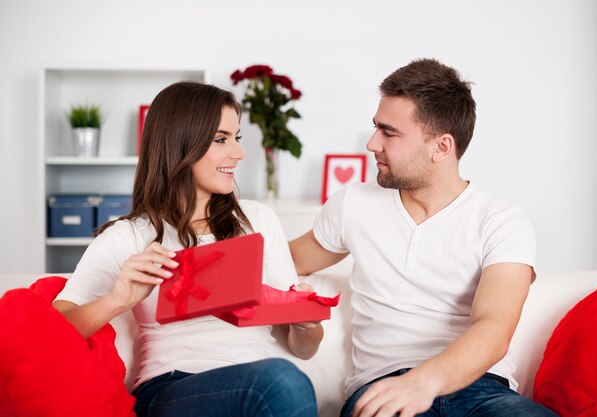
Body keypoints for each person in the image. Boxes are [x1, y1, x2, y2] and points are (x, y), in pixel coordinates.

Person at [289, 59, 558, 417]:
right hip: (382, 387)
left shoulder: (502, 222)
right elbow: (280, 261)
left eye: (389, 133)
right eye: (375, 129)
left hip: (483, 393)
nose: (372, 144)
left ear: (442, 147)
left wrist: (424, 382)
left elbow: (493, 327)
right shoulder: (352, 204)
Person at [53, 81, 322, 417]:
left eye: (237, 138)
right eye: (221, 139)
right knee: (280, 381)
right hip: (171, 389)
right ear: (181, 144)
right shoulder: (128, 237)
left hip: (259, 384)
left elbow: (304, 350)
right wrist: (117, 300)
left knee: (281, 381)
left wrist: (305, 325)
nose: (238, 154)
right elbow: (51, 332)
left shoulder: (258, 219)